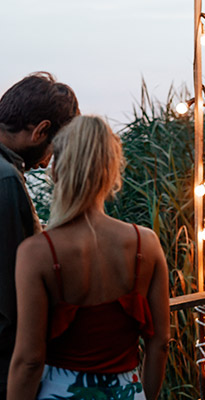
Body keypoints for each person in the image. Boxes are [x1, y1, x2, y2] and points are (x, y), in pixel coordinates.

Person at [7, 116, 170, 399]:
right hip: (127, 393)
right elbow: (160, 343)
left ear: (57, 171)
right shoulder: (147, 243)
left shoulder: (36, 253)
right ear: (111, 171)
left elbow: (30, 360)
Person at [0, 72, 79, 399]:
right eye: (54, 148)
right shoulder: (6, 181)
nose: (50, 161)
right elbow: (8, 303)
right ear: (41, 131)